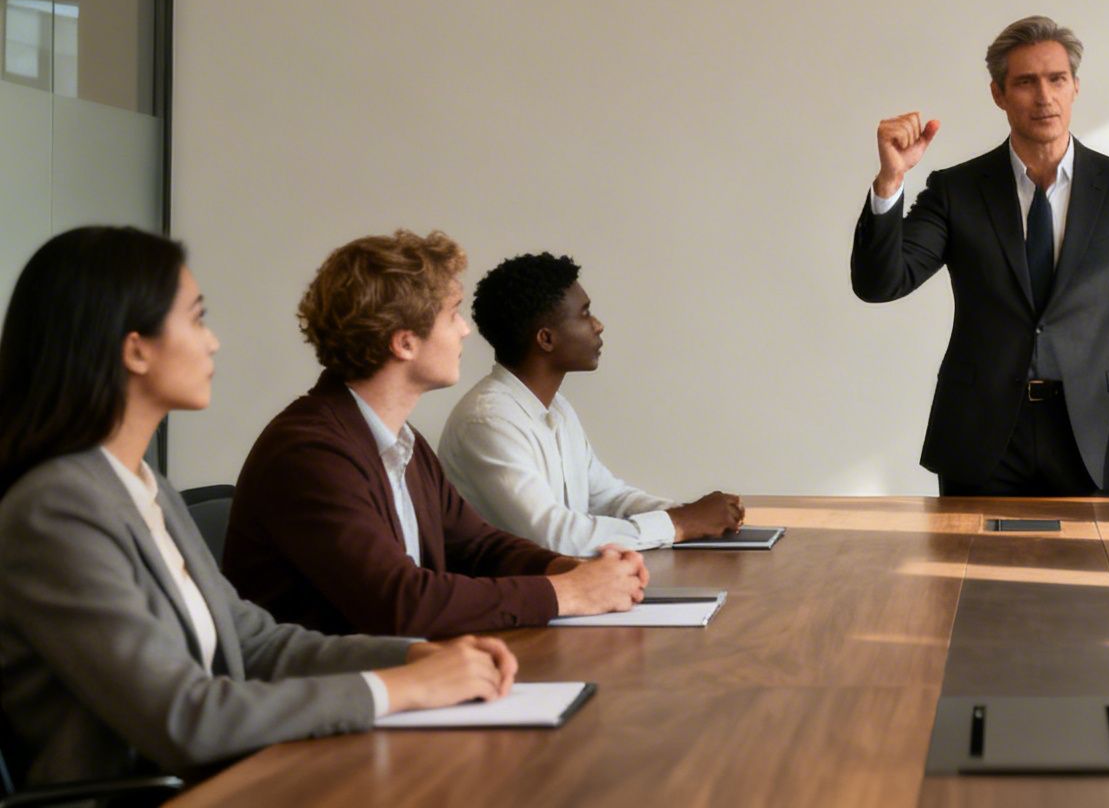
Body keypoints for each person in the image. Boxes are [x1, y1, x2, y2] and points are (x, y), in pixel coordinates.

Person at [0, 227, 517, 790]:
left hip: (229, 781)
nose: (213, 342)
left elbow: (257, 643)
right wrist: (405, 688)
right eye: (196, 319)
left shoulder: (142, 486)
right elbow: (186, 719)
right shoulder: (54, 510)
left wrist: (414, 658)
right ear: (135, 349)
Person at [851, 15, 1109, 500]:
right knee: (972, 578)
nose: (1044, 96)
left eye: (1057, 79)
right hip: (980, 440)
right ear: (998, 94)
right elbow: (880, 283)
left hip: (1094, 439)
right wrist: (889, 182)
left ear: (1075, 87)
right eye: (1025, 82)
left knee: (1104, 578)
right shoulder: (957, 191)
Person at [223, 230, 646, 638]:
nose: (465, 330)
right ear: (405, 343)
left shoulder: (400, 440)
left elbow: (478, 547)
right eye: (452, 313)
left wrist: (567, 569)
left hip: (403, 681)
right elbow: (402, 603)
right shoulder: (310, 453)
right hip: (333, 700)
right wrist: (568, 593)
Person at [439, 252, 744, 556]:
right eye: (584, 314)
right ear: (546, 339)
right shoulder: (488, 422)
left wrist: (694, 514)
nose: (598, 325)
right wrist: (680, 523)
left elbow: (609, 498)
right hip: (519, 598)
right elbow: (554, 537)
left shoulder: (556, 408)